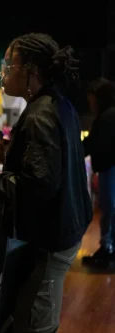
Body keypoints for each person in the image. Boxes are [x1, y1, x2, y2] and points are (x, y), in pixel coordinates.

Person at [0, 33, 92, 332]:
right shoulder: (56, 104)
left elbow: (39, 185)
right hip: (63, 228)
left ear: (32, 70)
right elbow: (51, 161)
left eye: (9, 64)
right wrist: (9, 148)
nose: (3, 72)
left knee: (35, 322)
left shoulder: (40, 114)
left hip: (51, 238)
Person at [82, 78, 115, 263]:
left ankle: (107, 248)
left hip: (109, 168)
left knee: (109, 208)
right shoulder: (109, 116)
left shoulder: (105, 119)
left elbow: (92, 144)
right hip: (109, 168)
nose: (90, 105)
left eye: (91, 100)